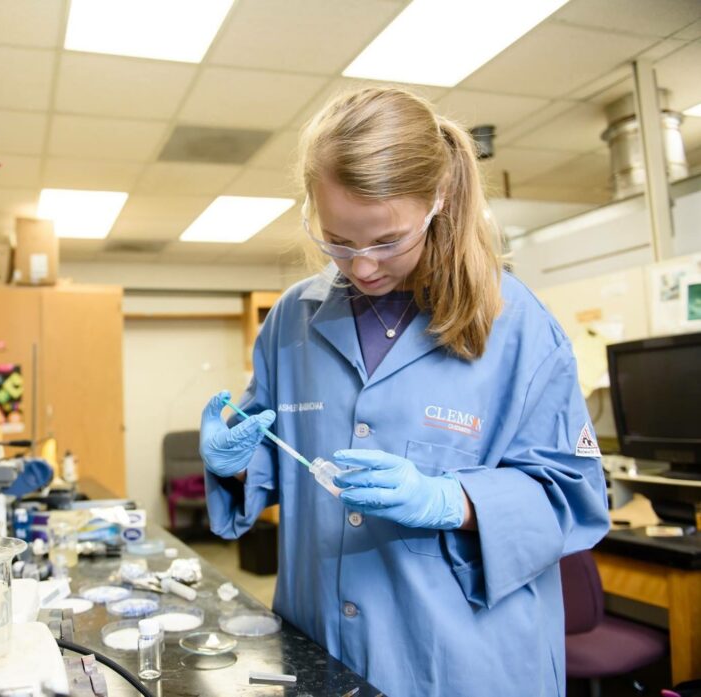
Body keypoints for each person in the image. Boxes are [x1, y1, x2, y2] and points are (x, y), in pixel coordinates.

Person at [200, 87, 609, 697]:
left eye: (387, 241)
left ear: (438, 200)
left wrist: (452, 500)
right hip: (320, 649)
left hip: (464, 662)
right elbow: (276, 453)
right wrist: (235, 463)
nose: (361, 267)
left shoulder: (517, 325)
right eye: (337, 239)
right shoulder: (291, 321)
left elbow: (572, 499)